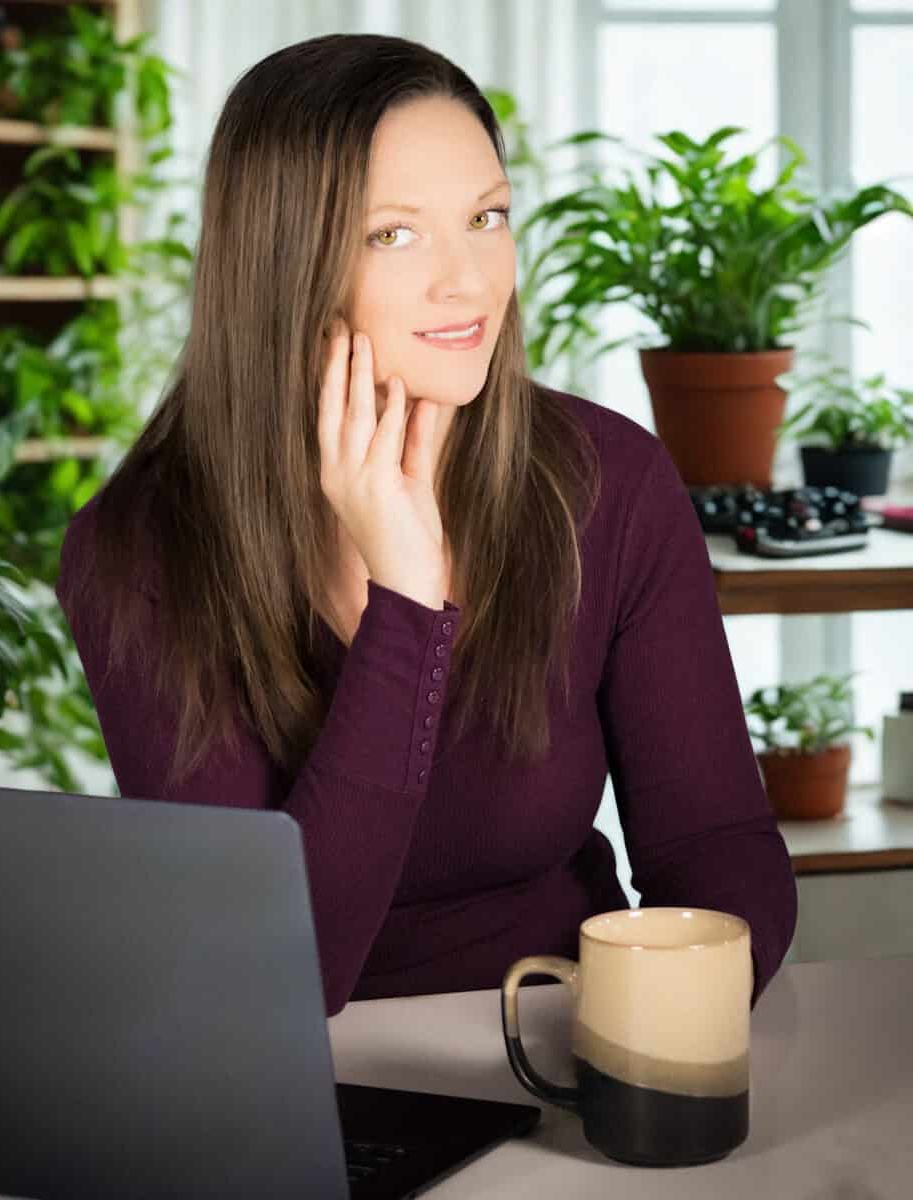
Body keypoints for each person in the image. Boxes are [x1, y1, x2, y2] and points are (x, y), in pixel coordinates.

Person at [55, 33, 798, 1018]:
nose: (469, 281)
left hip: (572, 1045)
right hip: (305, 1084)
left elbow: (717, 852)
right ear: (285, 265)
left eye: (487, 217)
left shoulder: (609, 481)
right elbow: (270, 977)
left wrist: (651, 1045)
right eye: (394, 234)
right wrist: (405, 605)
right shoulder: (142, 546)